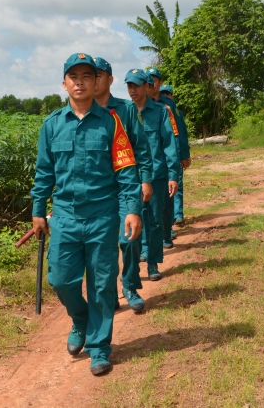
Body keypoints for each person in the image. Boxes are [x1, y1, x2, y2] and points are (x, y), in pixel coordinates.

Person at [30, 53, 142, 376]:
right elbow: (43, 174)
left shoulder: (111, 122)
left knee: (103, 284)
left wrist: (131, 209)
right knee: (60, 280)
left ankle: (99, 347)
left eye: (87, 77)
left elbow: (126, 170)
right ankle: (80, 318)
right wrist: (38, 211)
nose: (80, 82)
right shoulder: (52, 126)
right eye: (73, 76)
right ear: (64, 83)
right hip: (64, 218)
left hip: (102, 217)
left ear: (96, 83)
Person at [94, 57, 153, 313]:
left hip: (126, 186)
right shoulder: (82, 111)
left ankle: (129, 284)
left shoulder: (126, 110)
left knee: (129, 240)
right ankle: (108, 293)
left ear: (109, 79)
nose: (94, 80)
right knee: (102, 247)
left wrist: (146, 180)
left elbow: (141, 148)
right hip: (98, 191)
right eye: (90, 75)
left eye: (99, 75)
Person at [125, 69, 180, 282]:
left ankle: (153, 262)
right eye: (129, 86)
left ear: (147, 87)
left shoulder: (161, 111)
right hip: (130, 178)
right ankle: (135, 263)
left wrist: (173, 175)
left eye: (136, 86)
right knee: (132, 220)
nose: (133, 90)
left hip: (156, 176)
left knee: (155, 220)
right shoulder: (123, 112)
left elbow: (169, 145)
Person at [144, 67, 191, 249]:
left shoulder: (167, 105)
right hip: (148, 160)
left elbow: (177, 131)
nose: (150, 84)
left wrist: (182, 154)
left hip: (166, 157)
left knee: (167, 197)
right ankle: (150, 238)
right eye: (147, 81)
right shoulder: (138, 105)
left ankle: (167, 230)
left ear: (160, 82)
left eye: (154, 80)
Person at [160, 84, 185, 228]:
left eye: (168, 94)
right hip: (162, 156)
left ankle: (178, 215)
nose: (165, 96)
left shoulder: (177, 113)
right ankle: (168, 224)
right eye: (163, 94)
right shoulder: (156, 111)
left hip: (175, 153)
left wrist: (183, 154)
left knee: (177, 184)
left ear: (172, 96)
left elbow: (181, 134)